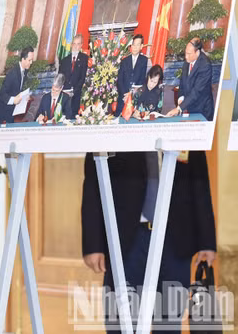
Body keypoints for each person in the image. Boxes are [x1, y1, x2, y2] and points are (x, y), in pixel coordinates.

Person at [81, 149, 216, 330]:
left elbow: (200, 182)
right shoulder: (112, 123)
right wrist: (93, 244)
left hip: (175, 239)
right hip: (127, 238)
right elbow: (93, 184)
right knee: (123, 320)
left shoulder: (185, 123)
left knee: (169, 321)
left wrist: (207, 240)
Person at [166, 37, 214, 120]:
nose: (186, 56)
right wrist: (181, 98)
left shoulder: (205, 65)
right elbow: (183, 82)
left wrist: (179, 109)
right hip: (190, 108)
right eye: (185, 53)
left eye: (189, 54)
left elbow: (197, 91)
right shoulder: (188, 61)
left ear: (197, 52)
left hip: (202, 110)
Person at [0, 47, 34, 126]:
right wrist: (13, 100)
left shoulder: (24, 71)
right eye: (29, 60)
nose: (31, 63)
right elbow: (2, 95)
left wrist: (24, 97)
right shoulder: (12, 74)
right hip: (3, 115)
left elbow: (16, 91)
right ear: (23, 59)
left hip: (12, 114)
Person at [116, 34, 148, 115]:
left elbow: (142, 80)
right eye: (133, 44)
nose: (135, 47)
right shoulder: (124, 61)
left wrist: (132, 94)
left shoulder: (144, 60)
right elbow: (120, 80)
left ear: (141, 46)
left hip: (135, 98)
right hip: (123, 98)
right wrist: (125, 95)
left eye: (138, 45)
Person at [57, 33, 88, 117]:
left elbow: (82, 77)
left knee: (74, 116)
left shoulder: (84, 58)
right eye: (74, 43)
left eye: (78, 44)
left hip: (76, 94)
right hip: (65, 94)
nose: (75, 46)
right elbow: (60, 77)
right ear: (71, 45)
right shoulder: (64, 60)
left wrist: (74, 91)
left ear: (81, 45)